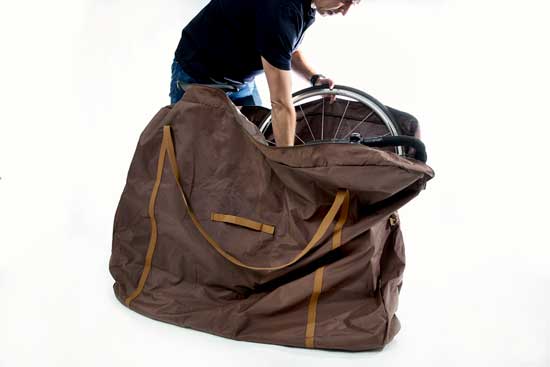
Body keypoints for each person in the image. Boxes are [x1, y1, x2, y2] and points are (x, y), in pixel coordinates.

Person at [170, 0, 361, 146]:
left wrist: (313, 77)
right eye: (346, 0)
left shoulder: (304, 7)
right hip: (198, 77)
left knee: (258, 143)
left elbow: (286, 48)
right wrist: (288, 169)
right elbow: (281, 104)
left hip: (241, 81)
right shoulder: (281, 9)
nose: (345, 11)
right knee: (191, 159)